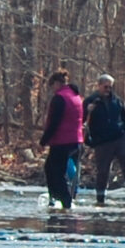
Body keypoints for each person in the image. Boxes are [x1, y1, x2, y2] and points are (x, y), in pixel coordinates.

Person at [84, 75, 125, 205]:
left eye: (110, 87)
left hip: (119, 138)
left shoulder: (117, 100)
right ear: (99, 85)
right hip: (102, 142)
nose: (108, 89)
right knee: (103, 171)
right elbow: (82, 121)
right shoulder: (90, 101)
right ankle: (100, 198)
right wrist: (87, 111)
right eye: (105, 86)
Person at [39, 70, 84, 211]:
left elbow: (54, 122)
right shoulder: (76, 97)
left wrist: (43, 141)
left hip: (62, 141)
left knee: (56, 173)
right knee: (51, 168)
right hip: (76, 140)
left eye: (52, 85)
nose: (52, 89)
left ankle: (65, 201)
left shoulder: (60, 98)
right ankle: (57, 197)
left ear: (57, 83)